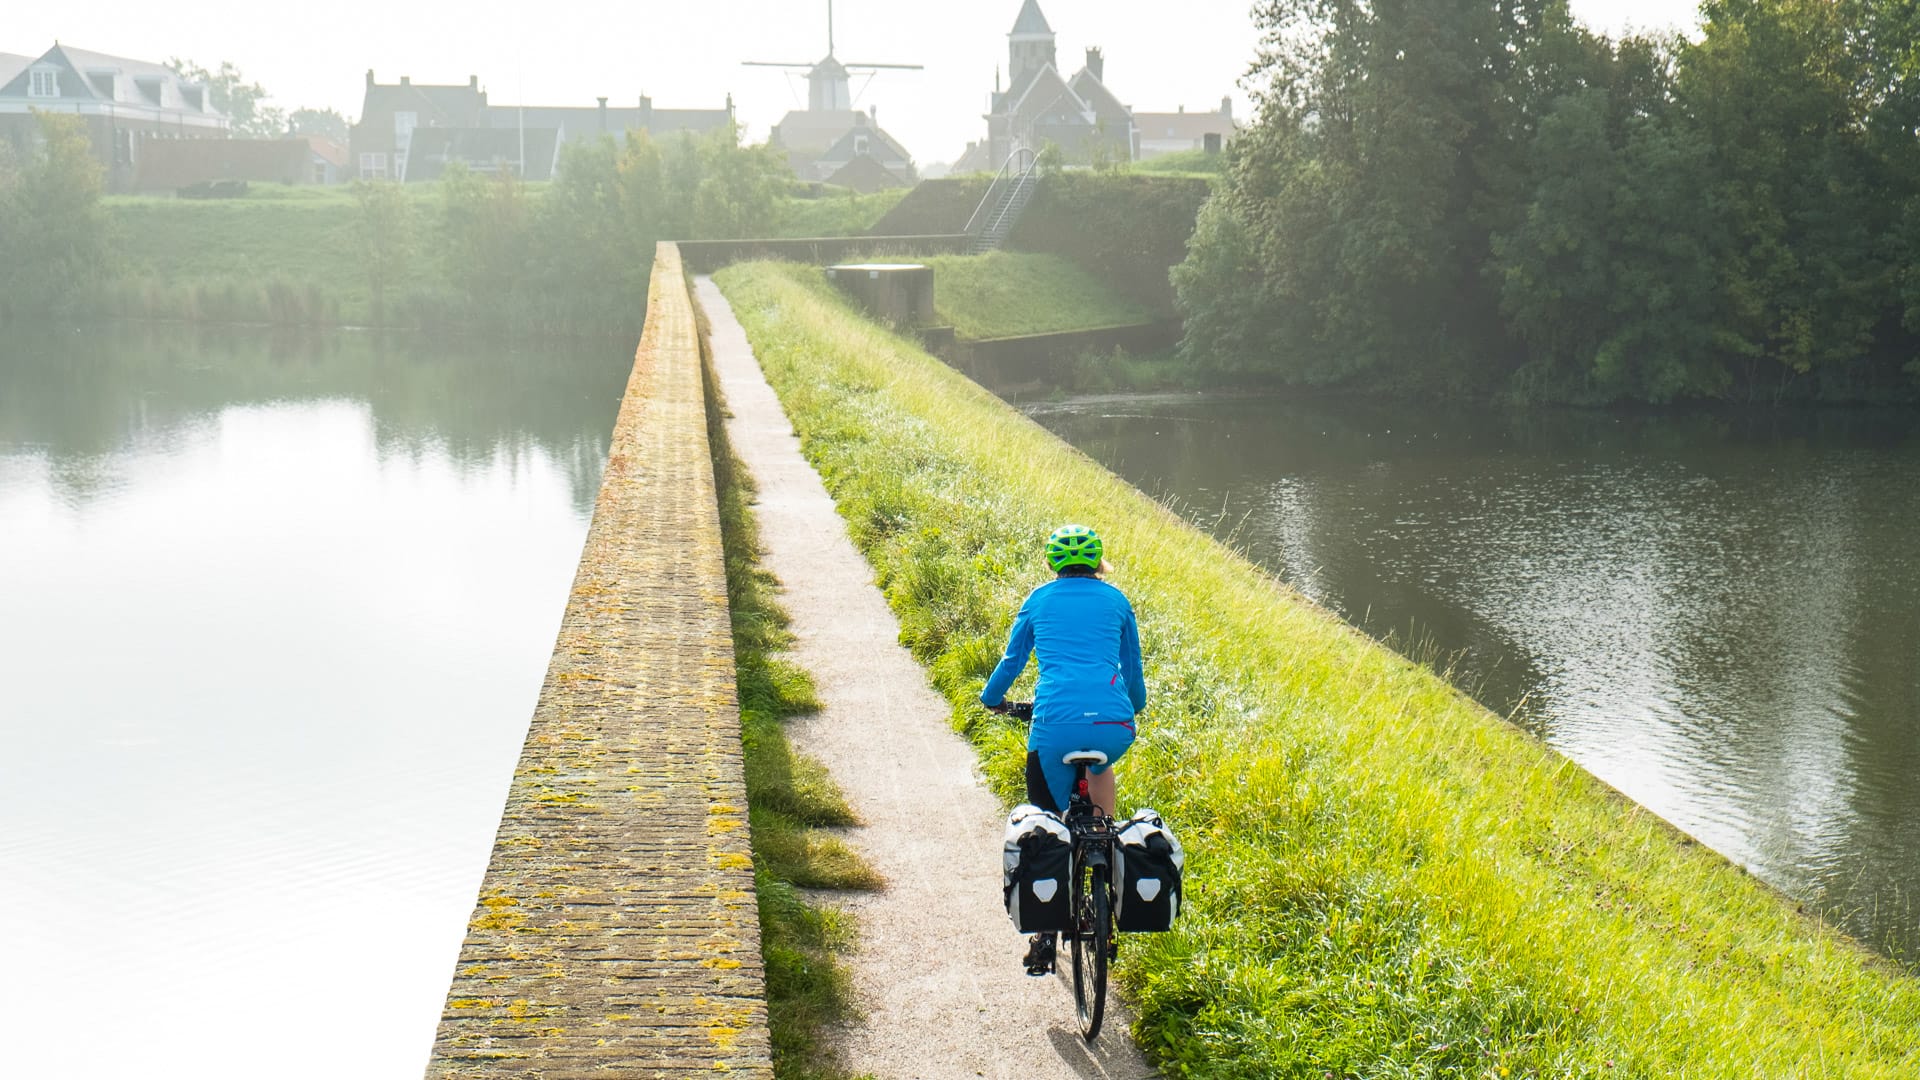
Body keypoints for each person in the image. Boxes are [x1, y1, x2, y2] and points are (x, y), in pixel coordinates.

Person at [980, 523, 1146, 975]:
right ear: (1098, 562)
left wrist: (992, 699)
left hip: (1054, 723)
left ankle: (1044, 938)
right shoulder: (1117, 600)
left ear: (1053, 564)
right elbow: (1133, 669)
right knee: (1101, 768)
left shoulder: (1038, 600)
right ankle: (1105, 853)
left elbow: (1012, 660)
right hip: (1113, 721)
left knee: (1049, 826)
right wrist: (1135, 707)